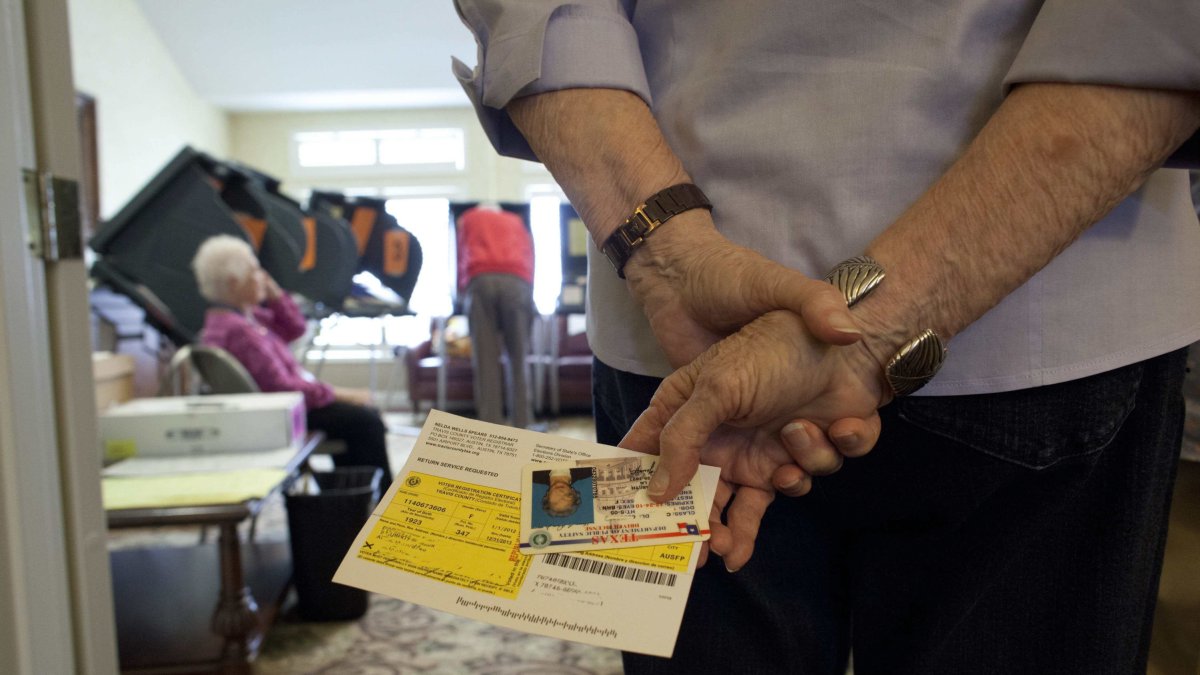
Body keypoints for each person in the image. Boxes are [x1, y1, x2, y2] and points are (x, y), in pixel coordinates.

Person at [452, 2, 1200, 673]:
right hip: (1040, 317)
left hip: (683, 343)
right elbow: (1155, 26)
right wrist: (868, 329)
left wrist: (668, 253)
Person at [191, 235, 393, 496]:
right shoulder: (238, 330)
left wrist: (275, 295)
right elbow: (282, 388)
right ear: (233, 282)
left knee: (359, 417)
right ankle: (376, 502)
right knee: (365, 421)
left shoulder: (242, 319)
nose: (263, 277)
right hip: (276, 414)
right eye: (255, 270)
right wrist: (343, 394)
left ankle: (355, 497)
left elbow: (295, 328)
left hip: (280, 406)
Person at [456, 203, 537, 428]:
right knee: (519, 358)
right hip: (518, 281)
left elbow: (460, 255)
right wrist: (529, 289)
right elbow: (530, 254)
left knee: (486, 361)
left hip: (481, 279)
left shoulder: (467, 218)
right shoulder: (516, 221)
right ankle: (523, 426)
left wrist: (462, 290)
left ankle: (491, 429)